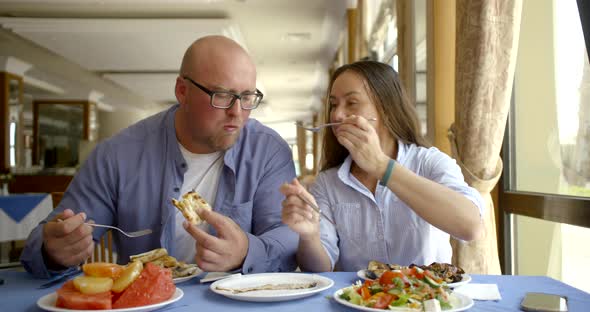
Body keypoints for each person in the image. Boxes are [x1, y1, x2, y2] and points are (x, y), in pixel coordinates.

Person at [21, 35, 298, 278]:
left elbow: (288, 236)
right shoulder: (117, 155)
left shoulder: (268, 151)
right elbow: (45, 242)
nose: (237, 112)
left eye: (247, 96)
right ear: (182, 91)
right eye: (222, 95)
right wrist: (52, 251)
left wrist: (246, 251)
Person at [280, 60, 484, 272]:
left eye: (351, 103)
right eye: (333, 104)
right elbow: (319, 271)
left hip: (427, 299)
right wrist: (310, 235)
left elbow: (471, 227)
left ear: (386, 109)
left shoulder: (429, 162)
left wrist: (381, 166)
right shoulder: (328, 182)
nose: (337, 115)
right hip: (358, 300)